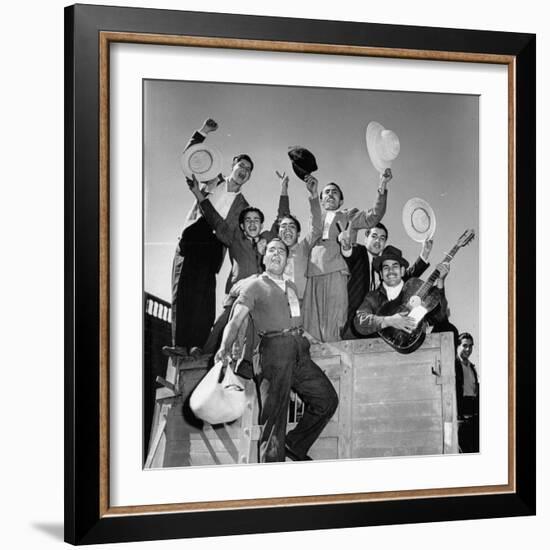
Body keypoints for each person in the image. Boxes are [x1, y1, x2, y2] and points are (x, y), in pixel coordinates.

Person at [215, 238, 339, 463]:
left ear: (286, 259)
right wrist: (224, 347)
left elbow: (295, 321)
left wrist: (314, 340)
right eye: (271, 250)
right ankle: (273, 475)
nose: (276, 254)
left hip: (299, 351)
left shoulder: (291, 286)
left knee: (327, 399)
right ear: (264, 258)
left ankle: (294, 444)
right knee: (274, 419)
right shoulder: (254, 285)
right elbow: (235, 320)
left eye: (281, 251)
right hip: (273, 351)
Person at [166, 117, 254, 357]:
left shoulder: (244, 205)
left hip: (215, 243)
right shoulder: (213, 179)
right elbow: (190, 160)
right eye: (241, 166)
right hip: (194, 235)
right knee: (182, 287)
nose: (243, 172)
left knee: (204, 294)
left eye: (248, 170)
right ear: (233, 167)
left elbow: (233, 235)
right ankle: (180, 343)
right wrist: (203, 131)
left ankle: (196, 345)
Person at [303, 169, 391, 342]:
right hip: (313, 273)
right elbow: (315, 231)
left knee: (334, 325)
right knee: (311, 325)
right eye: (326, 192)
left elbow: (373, 216)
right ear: (321, 200)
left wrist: (382, 185)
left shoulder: (349, 215)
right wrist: (313, 195)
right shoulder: (316, 216)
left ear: (341, 200)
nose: (330, 194)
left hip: (336, 271)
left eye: (334, 192)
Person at [338, 221, 433, 339]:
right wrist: (347, 246)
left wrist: (424, 254)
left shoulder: (384, 268)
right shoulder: (359, 252)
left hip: (379, 328)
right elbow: (349, 254)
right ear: (365, 239)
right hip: (354, 325)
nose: (378, 241)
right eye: (374, 236)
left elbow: (404, 276)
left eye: (382, 238)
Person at [354, 245, 450, 337]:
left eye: (395, 266)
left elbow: (440, 317)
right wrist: (389, 320)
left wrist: (440, 281)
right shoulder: (373, 297)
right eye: (386, 267)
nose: (391, 271)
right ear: (381, 274)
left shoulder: (416, 292)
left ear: (403, 271)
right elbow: (359, 322)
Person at [455, 332, 479, 453]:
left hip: (473, 416)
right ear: (458, 346)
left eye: (470, 346)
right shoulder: (454, 366)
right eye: (464, 345)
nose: (468, 349)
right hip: (461, 417)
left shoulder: (472, 367)